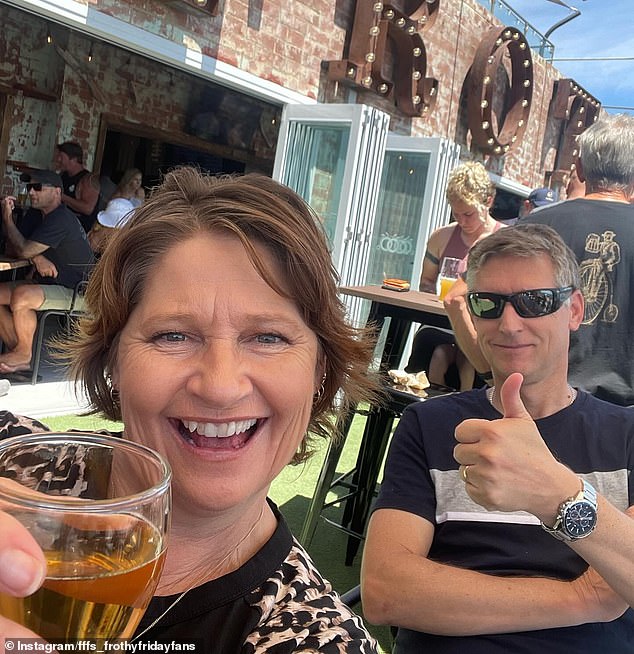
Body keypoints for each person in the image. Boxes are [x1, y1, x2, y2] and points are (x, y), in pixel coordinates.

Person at [0, 167, 380, 652]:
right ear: (113, 356)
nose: (220, 386)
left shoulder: (316, 639)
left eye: (268, 337)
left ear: (320, 372)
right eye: (173, 335)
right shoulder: (12, 456)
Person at [361, 223, 634, 653]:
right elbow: (385, 590)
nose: (508, 324)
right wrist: (585, 597)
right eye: (487, 304)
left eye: (535, 302)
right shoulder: (429, 425)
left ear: (575, 310)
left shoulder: (626, 436)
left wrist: (555, 492)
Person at [406, 161, 504, 390]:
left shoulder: (504, 241)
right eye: (456, 214)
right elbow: (426, 281)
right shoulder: (442, 237)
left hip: (482, 328)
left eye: (468, 214)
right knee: (434, 347)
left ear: (488, 202)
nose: (462, 221)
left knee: (470, 359)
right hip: (442, 321)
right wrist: (436, 296)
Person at [0, 170, 94, 374]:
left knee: (22, 296)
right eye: (30, 187)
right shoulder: (37, 215)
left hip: (78, 290)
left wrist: (8, 220)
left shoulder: (61, 218)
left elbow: (23, 248)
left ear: (57, 192)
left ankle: (24, 354)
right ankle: (18, 352)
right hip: (51, 282)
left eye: (38, 187)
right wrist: (36, 257)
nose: (32, 192)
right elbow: (14, 249)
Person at [55, 141, 101, 233]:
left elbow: (88, 209)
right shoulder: (62, 175)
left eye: (61, 157)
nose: (58, 160)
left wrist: (62, 196)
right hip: (62, 226)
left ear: (74, 159)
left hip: (79, 232)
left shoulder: (87, 180)